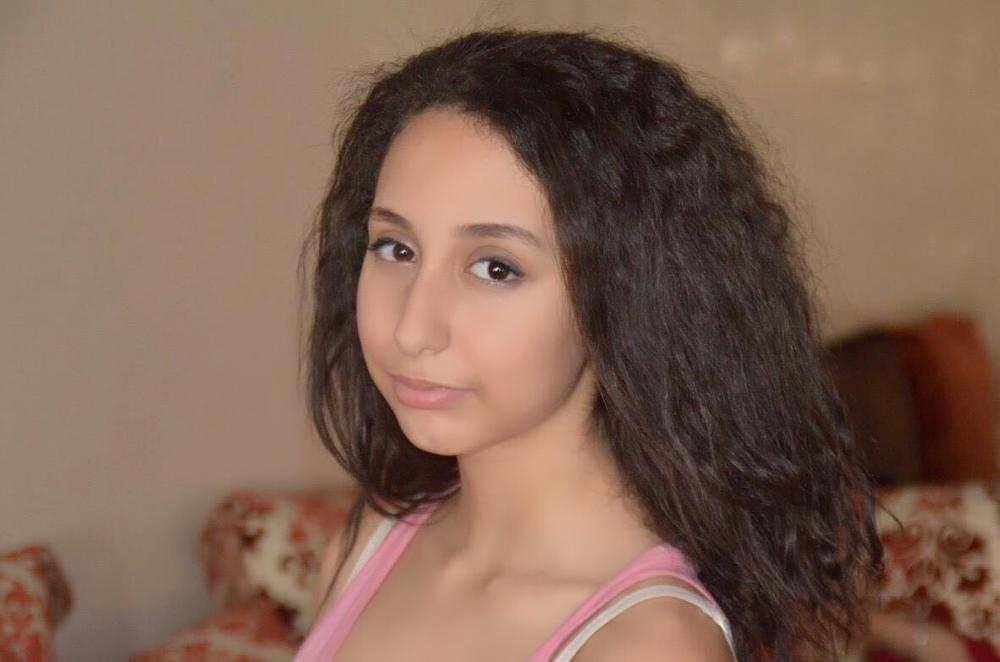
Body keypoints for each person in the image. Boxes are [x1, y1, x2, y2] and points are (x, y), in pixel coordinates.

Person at [294, 27, 883, 662]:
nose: (412, 329)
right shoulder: (363, 550)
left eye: (495, 267)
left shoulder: (647, 646)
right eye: (395, 248)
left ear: (625, 294)